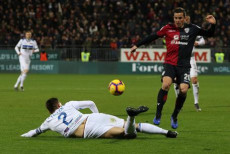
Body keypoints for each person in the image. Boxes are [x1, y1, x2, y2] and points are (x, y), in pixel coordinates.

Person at [130, 7, 216, 129]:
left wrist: (212, 25)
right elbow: (153, 36)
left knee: (184, 89)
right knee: (166, 85)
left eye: (180, 18)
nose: (178, 20)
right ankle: (158, 113)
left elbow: (209, 34)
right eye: (176, 18)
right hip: (170, 63)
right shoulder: (167, 28)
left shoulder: (192, 29)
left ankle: (174, 115)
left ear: (184, 18)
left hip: (184, 66)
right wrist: (137, 45)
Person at [21, 98, 178, 139]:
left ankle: (131, 117)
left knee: (127, 134)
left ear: (50, 111)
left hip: (87, 130)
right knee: (135, 127)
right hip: (93, 117)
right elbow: (90, 102)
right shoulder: (68, 105)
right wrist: (97, 114)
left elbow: (34, 132)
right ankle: (166, 132)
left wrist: (23, 135)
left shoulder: (48, 121)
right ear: (59, 104)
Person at [174, 16, 205, 111]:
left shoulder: (193, 29)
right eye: (185, 19)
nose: (186, 21)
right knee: (177, 82)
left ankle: (196, 103)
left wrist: (197, 43)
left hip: (190, 59)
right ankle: (179, 103)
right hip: (178, 59)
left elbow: (203, 40)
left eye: (188, 19)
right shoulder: (176, 29)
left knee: (194, 80)